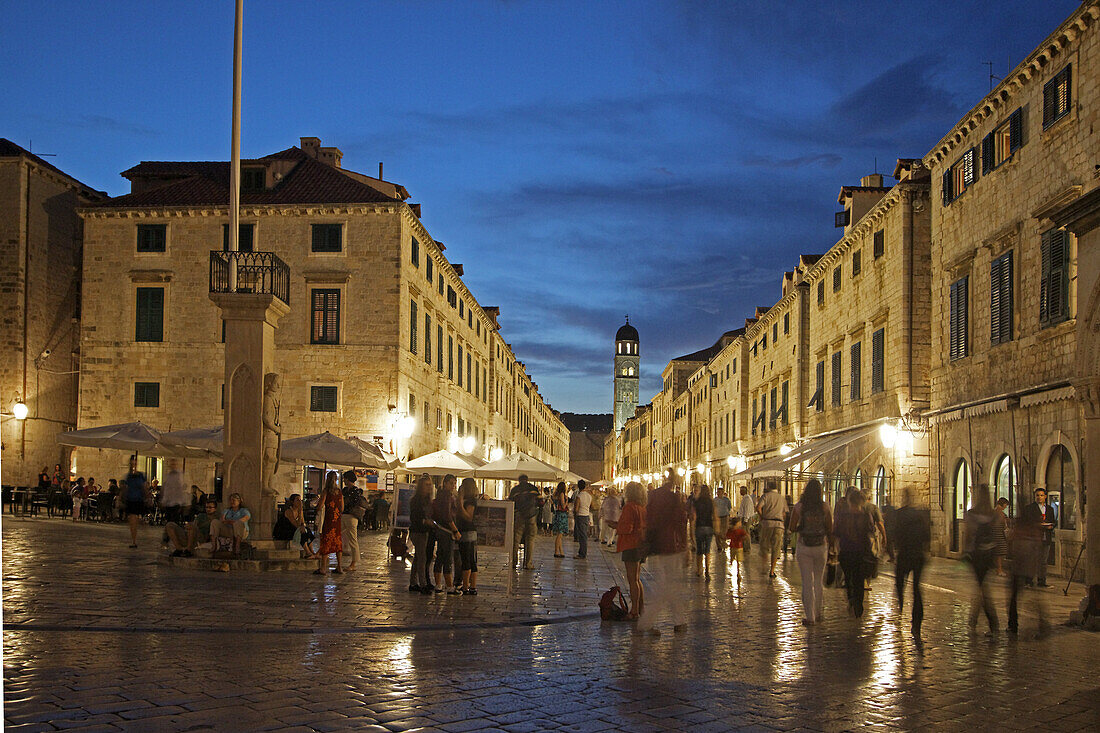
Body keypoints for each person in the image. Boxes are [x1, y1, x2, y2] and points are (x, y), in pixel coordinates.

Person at [637, 470, 689, 635]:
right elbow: (680, 522)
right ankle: (647, 621)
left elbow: (648, 518)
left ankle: (679, 620)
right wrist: (685, 546)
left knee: (668, 584)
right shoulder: (674, 499)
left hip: (655, 545)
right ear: (673, 481)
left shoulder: (654, 496)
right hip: (670, 545)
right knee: (666, 586)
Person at [789, 479, 832, 625]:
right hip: (821, 546)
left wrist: (802, 527)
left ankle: (810, 617)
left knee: (807, 582)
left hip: (804, 546)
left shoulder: (800, 506)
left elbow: (792, 527)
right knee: (818, 581)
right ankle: (819, 613)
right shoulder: (825, 507)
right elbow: (830, 527)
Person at [1007, 491, 1049, 636]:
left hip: (1019, 566)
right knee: (1033, 595)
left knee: (1014, 597)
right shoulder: (1033, 526)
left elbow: (1014, 543)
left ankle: (1013, 625)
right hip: (1029, 564)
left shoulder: (1020, 525)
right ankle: (1042, 623)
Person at [893, 487, 930, 637]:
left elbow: (895, 535)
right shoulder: (920, 515)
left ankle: (900, 606)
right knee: (916, 589)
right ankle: (916, 622)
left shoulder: (899, 515)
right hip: (918, 555)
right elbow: (927, 536)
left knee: (900, 584)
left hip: (905, 554)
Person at [833, 487, 872, 617]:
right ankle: (858, 603)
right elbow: (870, 532)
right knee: (859, 579)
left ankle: (851, 598)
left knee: (849, 577)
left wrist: (836, 548)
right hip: (861, 551)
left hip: (846, 550)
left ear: (849, 501)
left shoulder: (843, 516)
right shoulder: (865, 516)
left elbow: (837, 533)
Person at [616, 481, 646, 620]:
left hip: (631, 545)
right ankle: (641, 608)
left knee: (632, 580)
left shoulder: (629, 507)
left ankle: (634, 611)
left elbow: (627, 528)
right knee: (637, 579)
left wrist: (615, 526)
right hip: (641, 545)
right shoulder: (642, 508)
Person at [432, 474, 461, 593]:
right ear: (445, 483)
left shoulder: (440, 495)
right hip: (447, 530)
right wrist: (455, 530)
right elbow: (448, 515)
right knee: (447, 558)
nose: (453, 485)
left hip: (440, 529)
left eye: (454, 483)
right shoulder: (447, 497)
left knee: (440, 557)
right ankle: (449, 586)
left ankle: (438, 584)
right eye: (451, 483)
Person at [1022, 488, 1056, 587]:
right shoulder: (1029, 508)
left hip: (1046, 537)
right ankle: (1029, 581)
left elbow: (1053, 521)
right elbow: (1027, 522)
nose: (1039, 497)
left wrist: (1050, 526)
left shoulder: (1050, 509)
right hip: (1034, 537)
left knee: (1043, 561)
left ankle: (1042, 581)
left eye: (1041, 495)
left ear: (1045, 496)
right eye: (1037, 495)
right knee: (1032, 559)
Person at [409, 474, 435, 593]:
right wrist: (425, 521)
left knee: (418, 557)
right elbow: (414, 517)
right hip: (418, 531)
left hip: (425, 531)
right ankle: (423, 584)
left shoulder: (428, 499)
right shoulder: (416, 500)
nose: (429, 487)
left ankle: (413, 583)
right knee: (421, 558)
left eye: (430, 485)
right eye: (427, 485)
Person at [312, 473, 343, 574]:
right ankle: (339, 566)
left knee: (326, 541)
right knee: (338, 542)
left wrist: (317, 507)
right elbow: (342, 508)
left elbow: (320, 506)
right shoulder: (339, 492)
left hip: (329, 520)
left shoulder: (326, 491)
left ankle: (323, 568)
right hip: (337, 520)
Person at [509, 474, 541, 569]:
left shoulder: (515, 490)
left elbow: (511, 502)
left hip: (519, 516)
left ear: (519, 480)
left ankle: (514, 562)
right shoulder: (533, 488)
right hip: (531, 516)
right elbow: (540, 501)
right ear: (527, 480)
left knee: (516, 540)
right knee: (530, 539)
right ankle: (528, 563)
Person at [756, 480, 786, 579]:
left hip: (767, 523)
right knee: (776, 548)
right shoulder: (781, 498)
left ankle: (764, 566)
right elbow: (784, 513)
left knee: (764, 545)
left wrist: (762, 517)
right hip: (779, 524)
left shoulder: (766, 496)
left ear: (768, 486)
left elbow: (758, 507)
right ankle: (772, 571)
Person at [456, 478, 479, 595]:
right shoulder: (471, 499)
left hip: (467, 532)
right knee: (470, 559)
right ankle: (472, 586)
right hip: (468, 532)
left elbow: (468, 517)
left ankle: (466, 587)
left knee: (467, 559)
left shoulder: (470, 501)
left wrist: (460, 503)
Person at [340, 470, 365, 572]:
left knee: (353, 540)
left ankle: (354, 563)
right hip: (343, 515)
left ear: (347, 479)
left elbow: (353, 504)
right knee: (336, 534)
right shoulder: (345, 490)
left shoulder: (355, 491)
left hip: (351, 517)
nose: (344, 480)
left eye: (345, 478)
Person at [122, 457, 149, 548]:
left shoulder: (140, 475)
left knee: (135, 519)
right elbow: (125, 488)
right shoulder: (129, 476)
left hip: (139, 500)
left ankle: (139, 526)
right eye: (132, 464)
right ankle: (134, 540)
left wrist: (147, 497)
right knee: (133, 520)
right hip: (131, 500)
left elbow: (144, 487)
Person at [691, 484, 716, 580]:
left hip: (699, 527)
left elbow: (694, 516)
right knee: (707, 550)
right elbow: (715, 515)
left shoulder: (697, 502)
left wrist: (692, 530)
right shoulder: (711, 502)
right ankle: (708, 570)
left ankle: (699, 569)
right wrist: (716, 527)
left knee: (699, 550)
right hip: (709, 527)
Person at [159, 459, 190, 526]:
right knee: (169, 521)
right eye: (171, 464)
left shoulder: (180, 475)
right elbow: (167, 489)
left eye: (174, 464)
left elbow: (183, 489)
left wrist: (185, 502)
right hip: (169, 503)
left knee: (174, 522)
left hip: (177, 502)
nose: (172, 466)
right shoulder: (168, 476)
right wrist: (164, 501)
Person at [573, 480, 592, 559]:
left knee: (582, 536)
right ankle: (582, 552)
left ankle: (582, 553)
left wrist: (574, 513)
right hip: (586, 515)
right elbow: (592, 506)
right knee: (584, 535)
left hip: (580, 516)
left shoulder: (579, 496)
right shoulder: (589, 496)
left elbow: (576, 508)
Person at [725, 517, 748, 582]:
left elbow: (726, 536)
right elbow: (727, 536)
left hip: (738, 547)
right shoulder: (734, 530)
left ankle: (737, 572)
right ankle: (733, 568)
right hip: (735, 547)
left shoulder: (740, 530)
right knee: (734, 559)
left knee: (738, 560)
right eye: (739, 523)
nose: (740, 524)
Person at [551, 482, 569, 558]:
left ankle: (561, 551)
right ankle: (556, 551)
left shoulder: (555, 495)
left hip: (558, 514)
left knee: (559, 534)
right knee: (559, 535)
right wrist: (567, 501)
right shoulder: (562, 494)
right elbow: (563, 505)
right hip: (562, 515)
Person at [993, 497, 1010, 576]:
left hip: (993, 535)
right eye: (1006, 505)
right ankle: (999, 570)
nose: (1006, 507)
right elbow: (1004, 525)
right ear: (1004, 504)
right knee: (1000, 553)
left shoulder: (992, 512)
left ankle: (997, 569)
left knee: (997, 553)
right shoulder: (1001, 514)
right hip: (999, 535)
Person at [737, 485, 755, 552]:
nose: (740, 492)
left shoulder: (747, 499)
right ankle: (745, 547)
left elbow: (747, 510)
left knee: (746, 533)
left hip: (746, 518)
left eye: (741, 490)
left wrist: (746, 519)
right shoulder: (745, 498)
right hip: (744, 517)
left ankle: (747, 547)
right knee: (744, 532)